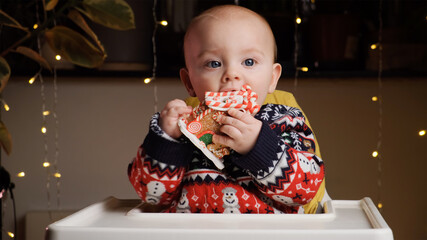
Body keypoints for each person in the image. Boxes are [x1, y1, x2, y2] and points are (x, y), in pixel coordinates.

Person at [128, 5, 327, 214]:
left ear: (272, 78)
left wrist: (259, 147)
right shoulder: (181, 129)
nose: (231, 74)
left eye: (249, 62)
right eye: (213, 63)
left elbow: (306, 190)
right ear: (189, 82)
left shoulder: (284, 121)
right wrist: (165, 142)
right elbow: (151, 195)